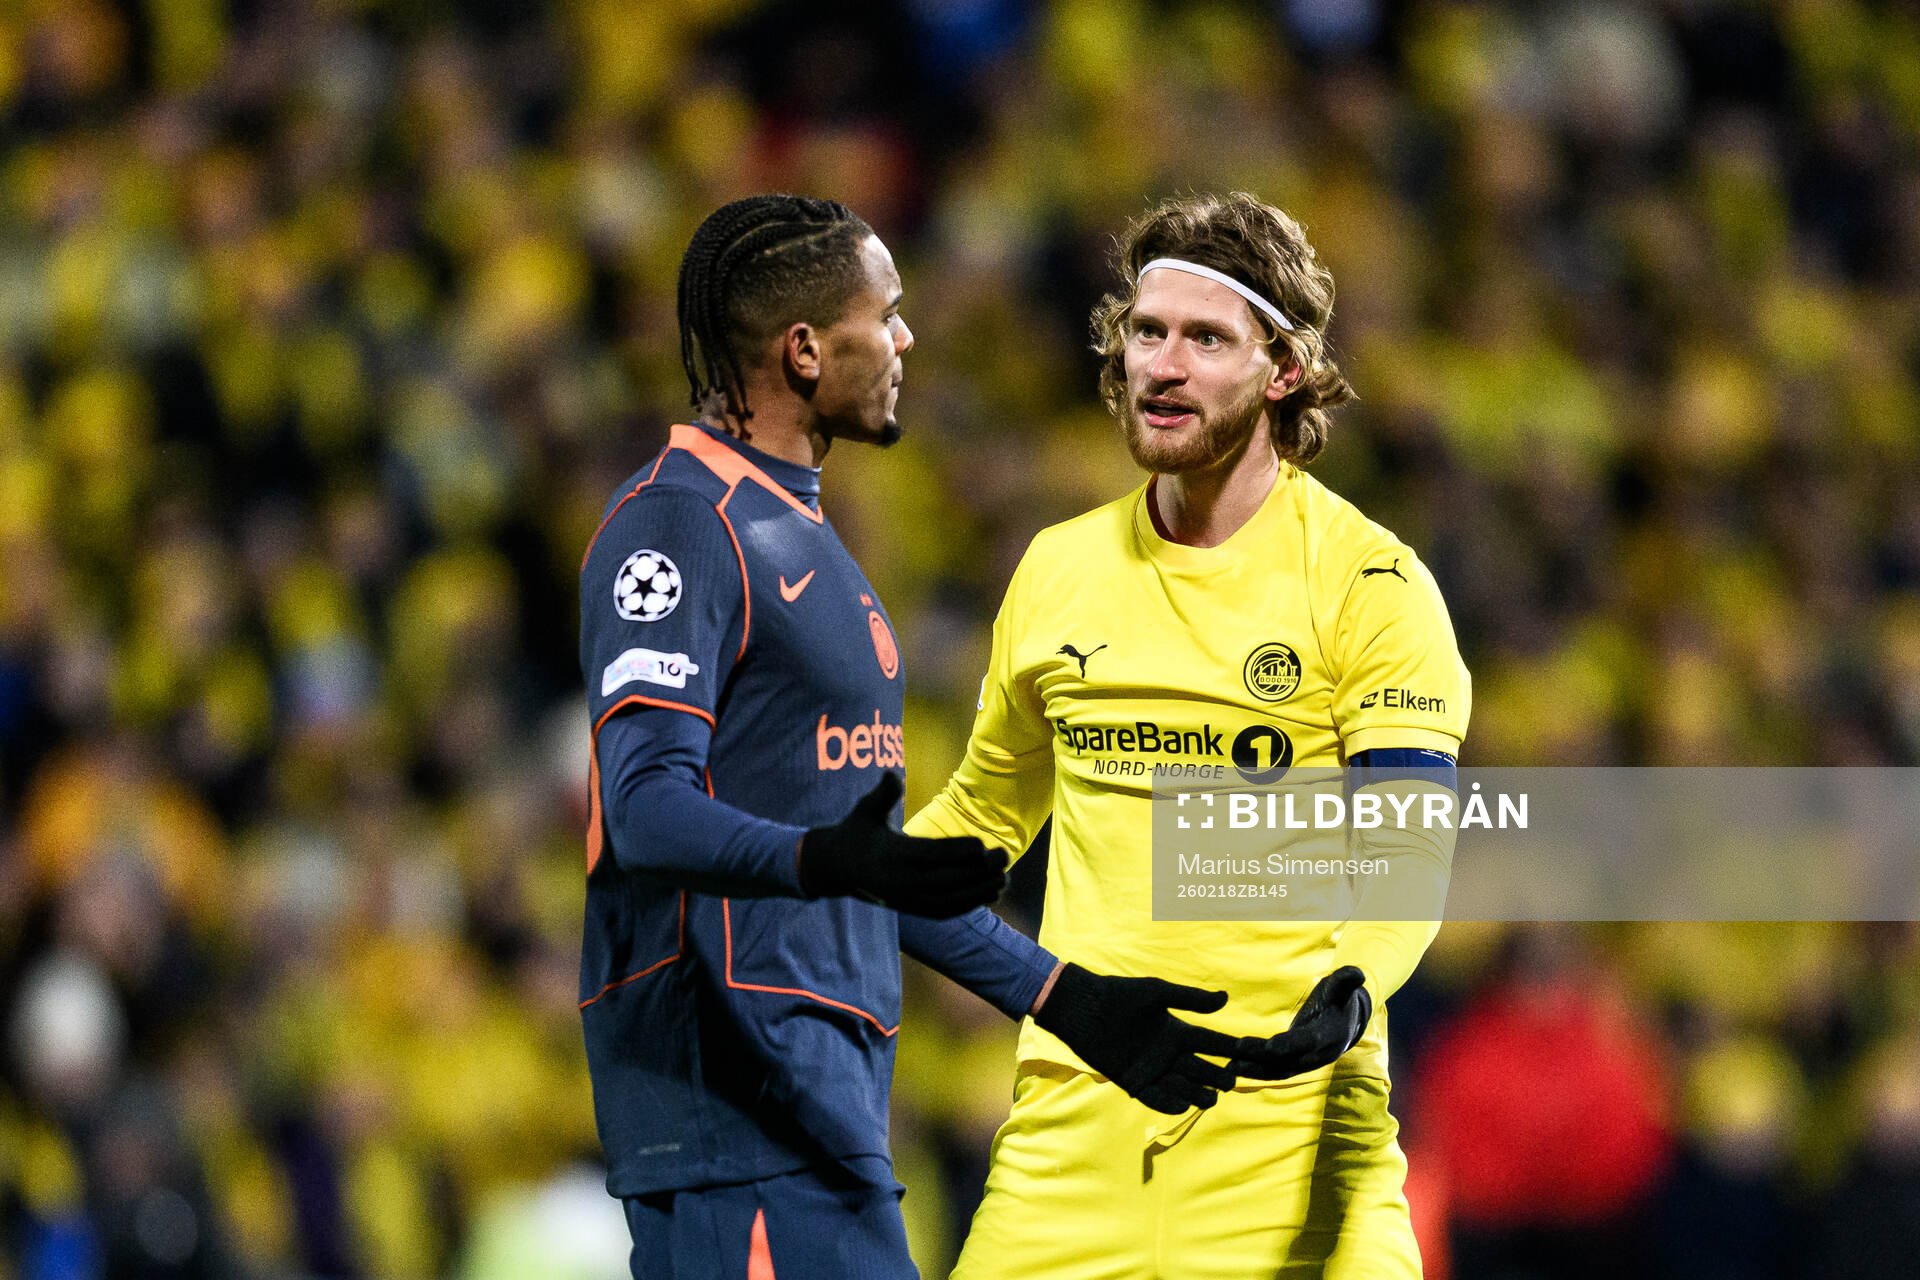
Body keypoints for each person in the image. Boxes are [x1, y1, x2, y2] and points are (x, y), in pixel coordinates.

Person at [579, 194, 1248, 1280]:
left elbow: (878, 869)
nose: (906, 339)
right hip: (734, 1110)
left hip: (821, 1113)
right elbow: (646, 806)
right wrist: (825, 857)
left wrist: (1065, 996)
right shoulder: (678, 523)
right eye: (884, 315)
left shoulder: (806, 545)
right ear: (803, 349)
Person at [907, 191, 1472, 1278]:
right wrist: (830, 860)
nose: (1162, 364)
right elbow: (976, 825)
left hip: (1295, 1137)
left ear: (1283, 371)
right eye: (1147, 331)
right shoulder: (1057, 569)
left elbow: (1407, 852)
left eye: (1207, 337)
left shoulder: (1371, 585)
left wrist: (1349, 982)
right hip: (1071, 1145)